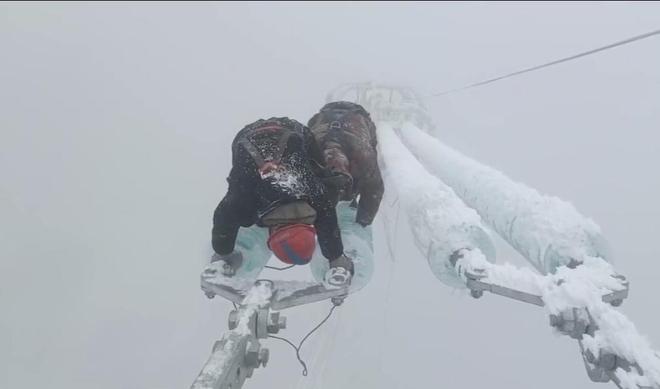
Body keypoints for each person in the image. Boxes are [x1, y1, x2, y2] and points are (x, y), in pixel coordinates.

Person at [211, 117, 354, 287]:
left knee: (320, 175)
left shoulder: (315, 195)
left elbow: (327, 220)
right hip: (253, 136)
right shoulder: (244, 203)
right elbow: (223, 215)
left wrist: (336, 258)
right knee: (241, 192)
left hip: (288, 133)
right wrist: (222, 253)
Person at [307, 101, 384, 227]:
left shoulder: (364, 157)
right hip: (323, 118)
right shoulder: (308, 153)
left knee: (367, 179)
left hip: (358, 119)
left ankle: (350, 196)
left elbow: (374, 190)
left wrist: (362, 224)